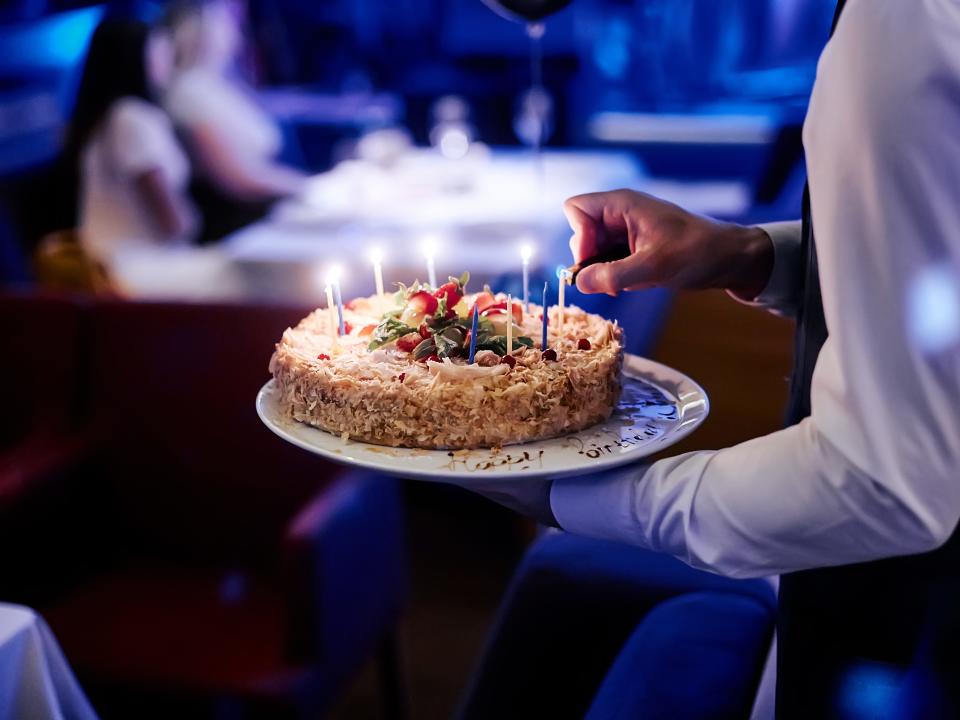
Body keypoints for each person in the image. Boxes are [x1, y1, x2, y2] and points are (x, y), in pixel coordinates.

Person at [451, 1, 960, 717]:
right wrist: (754, 256)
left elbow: (881, 483)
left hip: (903, 654)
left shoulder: (901, 22)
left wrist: (568, 495)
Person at [163, 0, 307, 242]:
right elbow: (236, 179)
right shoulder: (188, 90)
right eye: (228, 20)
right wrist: (313, 189)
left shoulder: (215, 84)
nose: (235, 31)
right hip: (236, 228)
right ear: (200, 28)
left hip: (260, 215)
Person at [66, 18, 196, 267]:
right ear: (135, 58)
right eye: (159, 49)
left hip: (120, 263)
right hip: (141, 268)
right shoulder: (131, 119)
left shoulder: (113, 115)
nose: (168, 58)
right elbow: (172, 221)